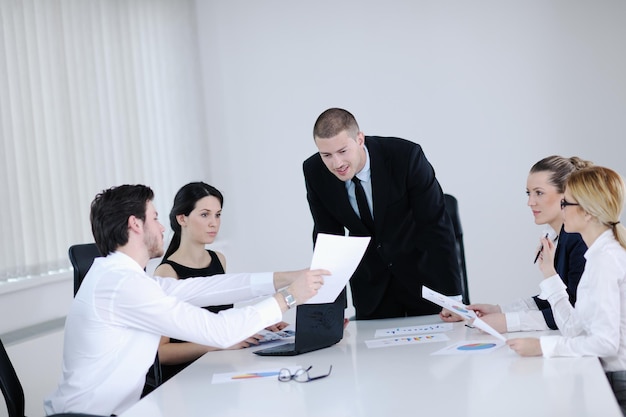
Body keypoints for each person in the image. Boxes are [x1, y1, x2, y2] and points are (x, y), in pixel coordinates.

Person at [44, 184, 328, 416]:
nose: (162, 228)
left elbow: (208, 288)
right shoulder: (123, 286)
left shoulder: (126, 279)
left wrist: (287, 278)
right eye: (154, 218)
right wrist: (290, 296)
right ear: (135, 224)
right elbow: (219, 331)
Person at [303, 107, 462, 320]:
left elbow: (436, 226)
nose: (337, 163)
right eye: (326, 155)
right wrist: (330, 310)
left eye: (342, 151)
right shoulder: (314, 171)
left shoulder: (406, 157)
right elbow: (329, 240)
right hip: (371, 288)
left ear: (360, 139)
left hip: (423, 280)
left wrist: (452, 298)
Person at [507, 166, 626, 415]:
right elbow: (575, 328)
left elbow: (605, 343)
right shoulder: (596, 256)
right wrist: (550, 275)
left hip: (618, 384)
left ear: (588, 213)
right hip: (607, 378)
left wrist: (543, 347)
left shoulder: (606, 261)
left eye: (566, 204)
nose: (561, 211)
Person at [153, 182, 286, 382]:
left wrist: (255, 326)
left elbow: (217, 320)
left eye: (218, 214)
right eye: (205, 214)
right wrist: (221, 342)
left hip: (222, 367)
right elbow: (163, 353)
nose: (214, 223)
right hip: (188, 378)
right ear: (182, 218)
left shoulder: (219, 259)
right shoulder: (166, 274)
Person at [453, 156, 592, 332]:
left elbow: (574, 312)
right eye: (529, 193)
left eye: (539, 193)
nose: (530, 202)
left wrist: (507, 322)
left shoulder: (579, 239)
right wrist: (499, 311)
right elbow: (555, 299)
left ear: (566, 194)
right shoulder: (561, 237)